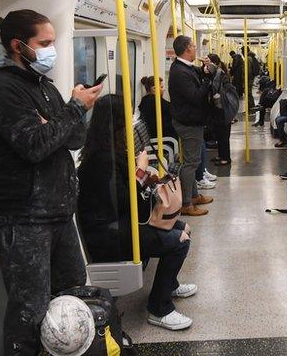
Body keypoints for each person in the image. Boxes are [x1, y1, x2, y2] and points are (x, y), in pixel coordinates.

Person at [0, 9, 103, 356]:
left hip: (57, 211)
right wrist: (71, 110)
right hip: (21, 216)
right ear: (19, 47)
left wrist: (72, 110)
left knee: (72, 290)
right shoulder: (2, 89)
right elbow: (34, 145)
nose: (52, 50)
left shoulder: (44, 86)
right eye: (45, 44)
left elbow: (71, 140)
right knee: (29, 307)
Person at [77, 95, 197, 331]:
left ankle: (169, 283)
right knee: (179, 241)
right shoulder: (102, 160)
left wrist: (142, 176)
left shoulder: (109, 151)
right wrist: (141, 171)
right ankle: (159, 308)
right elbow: (124, 201)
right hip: (109, 234)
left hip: (121, 223)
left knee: (182, 227)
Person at [168, 35, 216, 216]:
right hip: (187, 122)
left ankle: (194, 196)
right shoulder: (179, 72)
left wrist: (205, 70)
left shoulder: (184, 67)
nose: (196, 49)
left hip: (191, 120)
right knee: (191, 162)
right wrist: (206, 82)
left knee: (192, 160)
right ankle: (186, 203)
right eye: (194, 46)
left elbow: (198, 73)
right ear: (187, 49)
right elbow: (196, 96)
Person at [207, 53, 233, 165]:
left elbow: (219, 91)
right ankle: (221, 155)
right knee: (219, 134)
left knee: (223, 135)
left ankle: (226, 158)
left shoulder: (220, 74)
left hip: (223, 109)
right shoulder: (216, 74)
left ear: (215, 63)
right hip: (217, 109)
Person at [138, 75, 177, 140]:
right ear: (154, 88)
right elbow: (172, 109)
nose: (163, 90)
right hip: (162, 138)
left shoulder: (146, 100)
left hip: (158, 135)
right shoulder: (155, 101)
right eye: (161, 87)